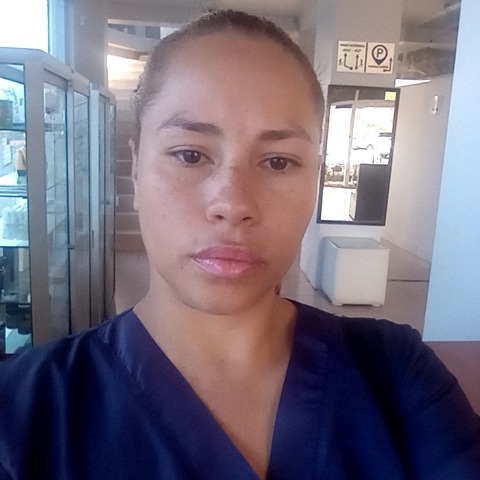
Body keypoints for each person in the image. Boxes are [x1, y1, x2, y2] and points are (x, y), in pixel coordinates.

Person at [0, 10, 479, 480]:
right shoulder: (24, 413)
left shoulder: (393, 373)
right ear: (135, 167)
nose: (233, 204)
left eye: (278, 162)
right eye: (190, 154)